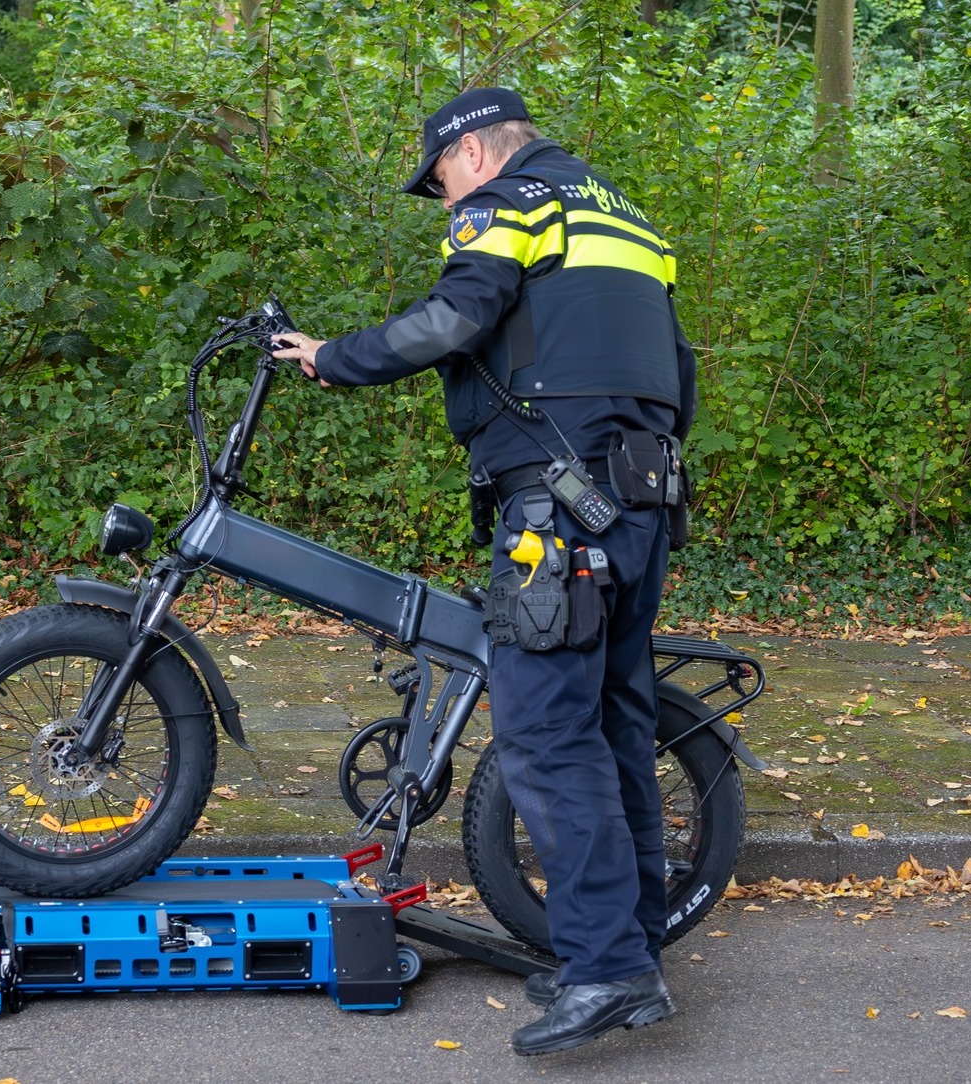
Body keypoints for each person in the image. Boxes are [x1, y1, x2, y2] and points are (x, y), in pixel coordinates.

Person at [272, 86, 696, 1057]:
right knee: (616, 725)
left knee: (547, 734)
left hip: (556, 512)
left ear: (469, 155)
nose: (442, 197)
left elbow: (453, 319)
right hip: (639, 503)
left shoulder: (509, 205)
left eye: (438, 178)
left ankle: (604, 969)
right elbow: (679, 371)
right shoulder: (621, 215)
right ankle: (628, 951)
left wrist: (333, 357)